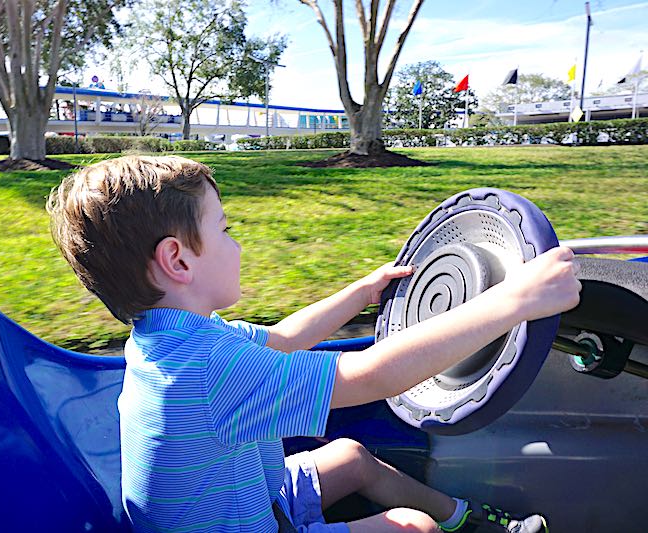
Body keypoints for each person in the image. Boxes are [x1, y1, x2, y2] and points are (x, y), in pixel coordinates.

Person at [46, 155, 581, 533]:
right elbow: (372, 376)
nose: (237, 242)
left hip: (254, 500)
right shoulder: (206, 369)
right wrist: (516, 299)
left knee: (349, 455)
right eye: (225, 229)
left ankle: (463, 520)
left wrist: (361, 292)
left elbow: (283, 338)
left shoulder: (170, 338)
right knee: (410, 528)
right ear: (178, 261)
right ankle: (445, 522)